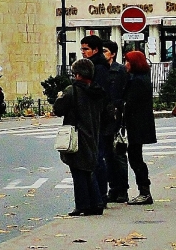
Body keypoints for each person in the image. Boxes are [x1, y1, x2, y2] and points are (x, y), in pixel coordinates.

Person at [53, 57, 106, 216]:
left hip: (76, 134)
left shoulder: (72, 90)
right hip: (93, 132)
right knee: (89, 168)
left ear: (77, 74)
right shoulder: (97, 91)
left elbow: (59, 110)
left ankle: (83, 204)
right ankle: (96, 203)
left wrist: (59, 96)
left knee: (78, 170)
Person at [80, 34, 112, 203]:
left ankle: (100, 194)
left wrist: (84, 85)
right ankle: (99, 193)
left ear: (95, 50)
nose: (83, 52)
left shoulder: (98, 68)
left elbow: (99, 92)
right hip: (96, 117)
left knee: (97, 157)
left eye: (86, 49)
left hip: (98, 118)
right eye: (82, 49)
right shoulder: (95, 65)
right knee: (96, 156)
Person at [123, 50, 157, 205]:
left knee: (135, 158)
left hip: (137, 124)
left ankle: (144, 191)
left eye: (127, 61)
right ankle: (144, 191)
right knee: (135, 156)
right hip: (141, 124)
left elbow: (130, 104)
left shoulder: (137, 81)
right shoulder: (142, 78)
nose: (125, 64)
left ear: (134, 63)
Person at [102, 39, 129, 202]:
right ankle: (113, 188)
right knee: (107, 156)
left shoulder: (120, 71)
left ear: (112, 53)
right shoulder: (100, 70)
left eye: (105, 51)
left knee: (118, 154)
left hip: (117, 118)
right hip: (104, 118)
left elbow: (124, 94)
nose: (103, 54)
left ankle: (122, 190)